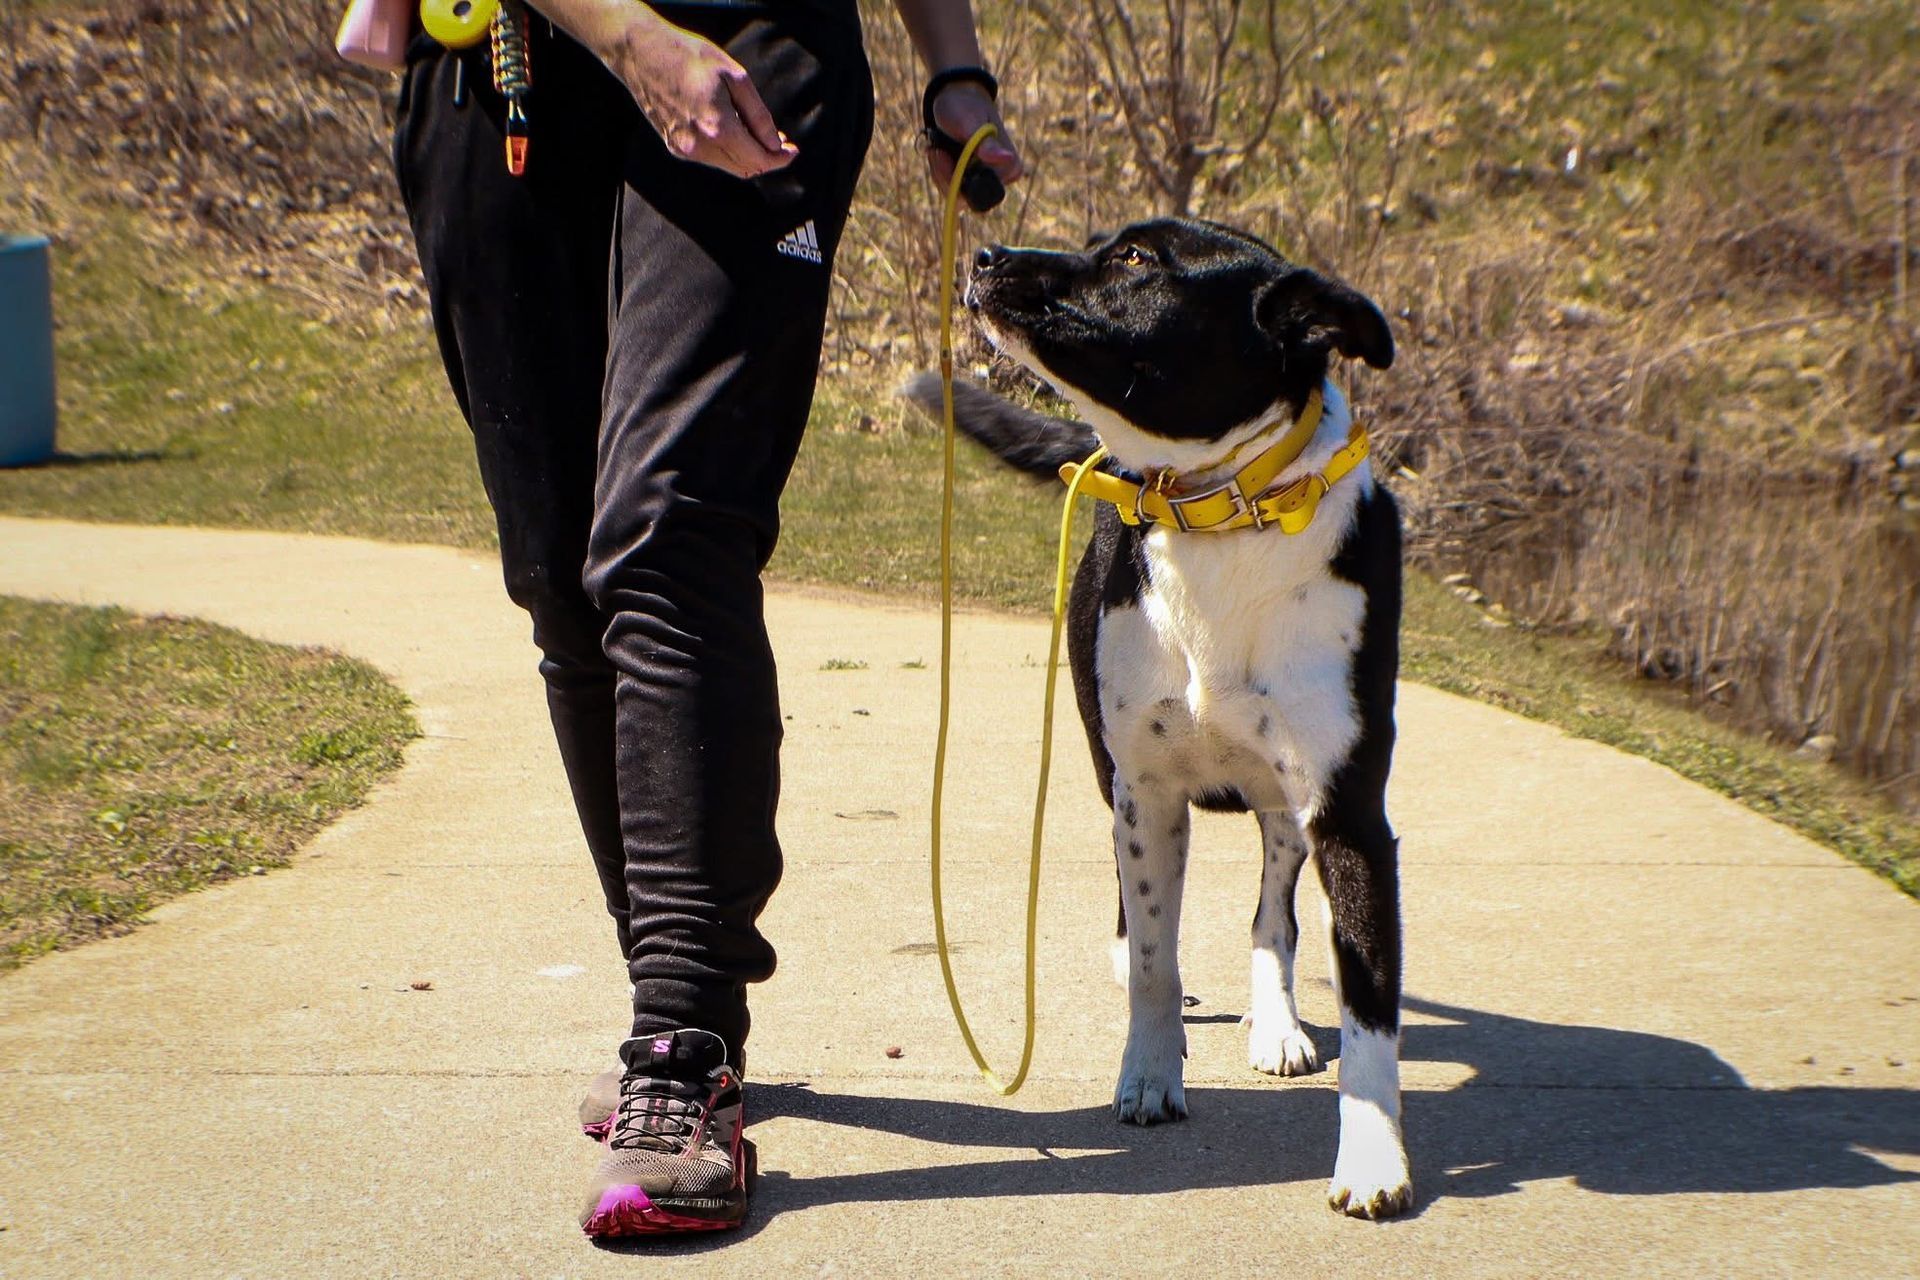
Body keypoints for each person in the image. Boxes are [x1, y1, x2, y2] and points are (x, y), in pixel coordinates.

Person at [391, 0, 1023, 1239]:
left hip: (754, 44)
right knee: (560, 572)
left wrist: (953, 59)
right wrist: (621, 34)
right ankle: (661, 1014)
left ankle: (683, 1047)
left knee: (667, 526)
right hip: (499, 60)